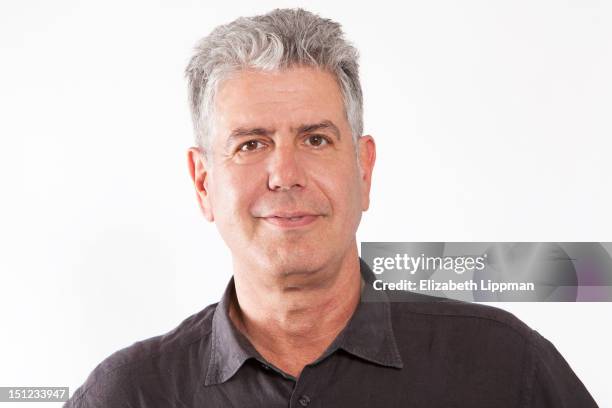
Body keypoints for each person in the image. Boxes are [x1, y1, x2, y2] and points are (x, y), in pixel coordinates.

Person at [65, 8, 598, 407]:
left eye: (316, 139)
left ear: (364, 169)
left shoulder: (503, 369)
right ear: (203, 182)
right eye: (251, 144)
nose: (285, 175)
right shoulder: (129, 395)